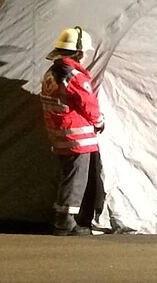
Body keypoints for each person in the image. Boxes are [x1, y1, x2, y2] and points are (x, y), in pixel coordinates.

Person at [40, 26, 106, 236]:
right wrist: (99, 121)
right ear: (78, 53)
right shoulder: (74, 76)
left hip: (60, 134)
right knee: (76, 179)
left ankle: (62, 217)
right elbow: (88, 103)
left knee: (68, 176)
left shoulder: (52, 73)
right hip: (77, 137)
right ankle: (66, 223)